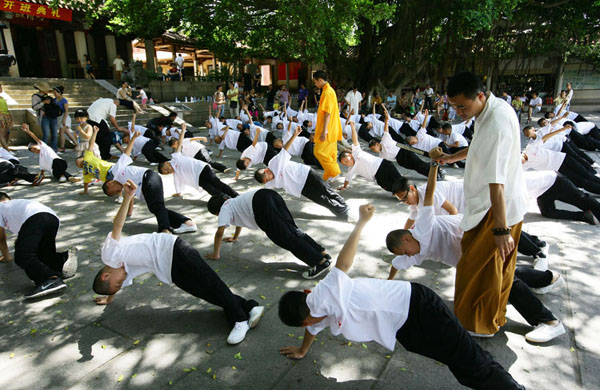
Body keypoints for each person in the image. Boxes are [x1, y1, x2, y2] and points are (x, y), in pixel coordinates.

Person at [278, 203, 525, 390]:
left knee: (468, 360)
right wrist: (302, 350)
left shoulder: (320, 296)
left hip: (419, 308)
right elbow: (313, 327)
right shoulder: (314, 311)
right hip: (407, 330)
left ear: (304, 318)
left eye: (305, 325)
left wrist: (362, 222)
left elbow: (343, 264)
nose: (310, 327)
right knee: (462, 361)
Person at [386, 163, 566, 344]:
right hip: (468, 256)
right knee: (500, 273)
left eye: (405, 251)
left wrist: (433, 165)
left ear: (407, 239)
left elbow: (431, 192)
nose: (408, 256)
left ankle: (549, 321)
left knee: (500, 279)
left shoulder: (423, 226)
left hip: (477, 239)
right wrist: (387, 286)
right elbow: (396, 263)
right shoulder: (413, 252)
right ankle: (548, 278)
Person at [92, 179, 264, 345]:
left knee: (211, 283)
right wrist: (109, 299)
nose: (123, 279)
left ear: (105, 275)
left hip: (175, 249)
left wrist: (128, 197)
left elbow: (117, 227)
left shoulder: (110, 255)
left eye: (118, 282)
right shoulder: (118, 272)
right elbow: (113, 284)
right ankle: (249, 306)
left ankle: (239, 320)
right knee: (203, 291)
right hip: (169, 270)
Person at [436, 71, 529, 337]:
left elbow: (496, 183)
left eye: (462, 107)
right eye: (454, 107)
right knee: (494, 268)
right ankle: (492, 317)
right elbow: (478, 146)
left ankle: (478, 324)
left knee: (479, 270)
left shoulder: (496, 123)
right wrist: (453, 157)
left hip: (495, 207)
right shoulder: (492, 108)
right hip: (499, 203)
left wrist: (500, 231)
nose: (458, 113)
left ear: (479, 96)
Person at [206, 188, 332, 279]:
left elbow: (219, 233)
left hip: (261, 205)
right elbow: (238, 222)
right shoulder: (231, 202)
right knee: (293, 230)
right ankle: (323, 254)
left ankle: (320, 262)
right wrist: (235, 237)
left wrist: (216, 254)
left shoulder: (224, 210)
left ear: (216, 212)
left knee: (286, 238)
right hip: (268, 194)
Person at [102, 130, 196, 234]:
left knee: (157, 206)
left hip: (148, 177)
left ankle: (165, 229)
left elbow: (126, 154)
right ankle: (186, 222)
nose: (116, 193)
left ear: (109, 183)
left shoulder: (116, 172)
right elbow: (130, 197)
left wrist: (133, 138)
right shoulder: (125, 186)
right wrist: (129, 211)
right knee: (155, 208)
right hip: (147, 183)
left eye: (113, 192)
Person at [255, 126, 350, 220]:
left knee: (327, 191)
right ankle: (344, 214)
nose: (270, 180)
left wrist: (295, 134)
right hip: (301, 188)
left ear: (266, 170)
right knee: (322, 200)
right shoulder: (269, 182)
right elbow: (266, 193)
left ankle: (346, 208)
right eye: (267, 181)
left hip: (306, 174)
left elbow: (285, 149)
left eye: (268, 178)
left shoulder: (274, 163)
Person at [0, 193, 78, 299]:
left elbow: (1, 237)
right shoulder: (15, 205)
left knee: (22, 256)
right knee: (42, 257)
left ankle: (50, 279)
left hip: (36, 219)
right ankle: (63, 259)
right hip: (52, 218)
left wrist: (7, 257)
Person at [367, 105, 443, 180]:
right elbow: (379, 164)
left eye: (374, 149)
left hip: (404, 151)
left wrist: (386, 120)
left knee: (419, 164)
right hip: (400, 160)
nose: (374, 151)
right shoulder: (381, 155)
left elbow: (386, 129)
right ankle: (433, 173)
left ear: (377, 144)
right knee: (416, 168)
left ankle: (436, 171)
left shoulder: (384, 139)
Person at [158, 127, 237, 199]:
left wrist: (182, 130)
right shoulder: (176, 174)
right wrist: (178, 193)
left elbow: (180, 142)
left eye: (166, 169)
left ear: (166, 163)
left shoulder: (175, 158)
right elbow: (177, 183)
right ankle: (225, 198)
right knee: (210, 189)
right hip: (197, 179)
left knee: (217, 183)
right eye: (167, 173)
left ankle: (235, 195)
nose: (168, 171)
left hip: (202, 168)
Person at [338, 121, 403, 193]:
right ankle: (403, 195)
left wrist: (353, 128)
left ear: (350, 155)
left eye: (346, 161)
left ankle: (412, 190)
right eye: (344, 164)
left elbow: (355, 140)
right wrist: (344, 187)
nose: (347, 164)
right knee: (391, 188)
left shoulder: (356, 153)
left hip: (383, 165)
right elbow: (347, 179)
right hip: (378, 176)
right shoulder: (351, 169)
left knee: (400, 181)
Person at [525, 170, 600, 225]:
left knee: (581, 199)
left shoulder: (516, 183)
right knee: (548, 212)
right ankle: (583, 216)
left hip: (555, 181)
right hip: (542, 191)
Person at [313, 71, 342, 180]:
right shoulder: (328, 91)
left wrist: (324, 131)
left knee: (318, 151)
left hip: (328, 128)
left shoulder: (327, 92)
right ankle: (330, 174)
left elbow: (327, 113)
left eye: (315, 82)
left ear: (320, 80)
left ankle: (334, 172)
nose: (315, 84)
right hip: (331, 127)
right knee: (330, 152)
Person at [75, 125, 114, 195]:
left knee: (122, 178)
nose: (77, 162)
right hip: (106, 178)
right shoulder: (85, 172)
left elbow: (91, 143)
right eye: (77, 163)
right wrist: (85, 191)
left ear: (82, 158)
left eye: (78, 159)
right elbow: (86, 182)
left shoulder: (87, 156)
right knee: (117, 184)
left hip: (110, 168)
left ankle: (122, 196)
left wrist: (95, 132)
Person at [53, 86, 77, 153]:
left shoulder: (64, 100)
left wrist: (64, 120)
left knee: (61, 132)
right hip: (58, 117)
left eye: (55, 92)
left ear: (59, 93)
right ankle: (77, 144)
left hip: (64, 116)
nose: (54, 94)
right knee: (67, 132)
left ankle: (62, 147)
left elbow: (66, 111)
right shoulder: (54, 100)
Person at [0, 84, 13, 151]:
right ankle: (6, 149)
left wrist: (10, 117)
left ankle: (5, 147)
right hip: (1, 116)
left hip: (6, 115)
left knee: (7, 133)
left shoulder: (1, 97)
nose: (1, 89)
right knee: (1, 134)